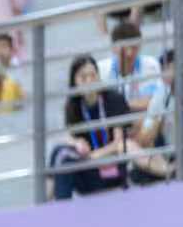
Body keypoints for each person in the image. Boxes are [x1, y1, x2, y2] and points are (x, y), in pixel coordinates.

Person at [50, 55, 133, 200]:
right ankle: (52, 205)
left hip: (112, 171)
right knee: (60, 154)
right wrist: (76, 143)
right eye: (83, 77)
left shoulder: (113, 98)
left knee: (61, 155)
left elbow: (119, 143)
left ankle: (50, 206)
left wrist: (93, 156)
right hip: (89, 172)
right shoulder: (73, 106)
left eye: (93, 75)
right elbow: (72, 138)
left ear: (99, 77)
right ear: (74, 82)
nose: (89, 81)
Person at [98, 20, 163, 113]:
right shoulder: (101, 69)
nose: (129, 53)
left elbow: (154, 102)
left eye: (133, 47)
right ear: (113, 47)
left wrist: (119, 105)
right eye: (124, 48)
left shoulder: (151, 65)